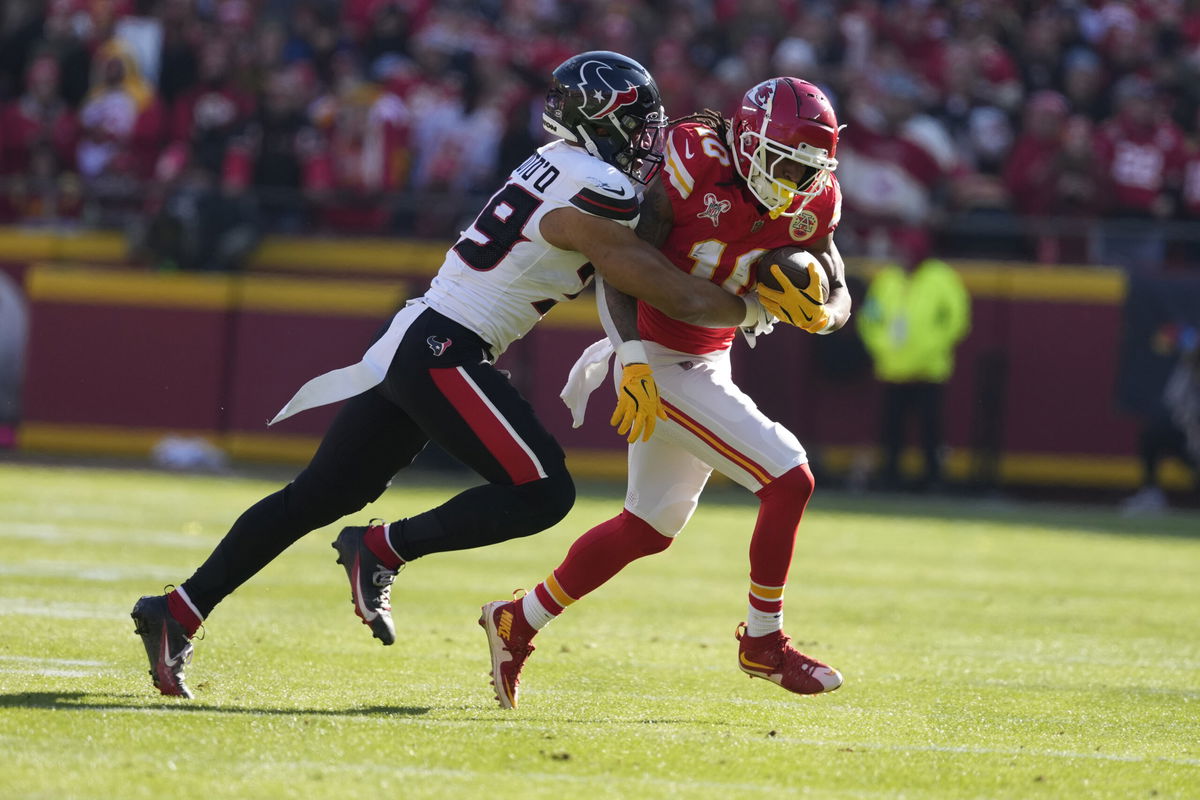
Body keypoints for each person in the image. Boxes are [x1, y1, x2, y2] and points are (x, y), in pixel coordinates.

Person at [130, 51, 815, 699]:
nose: (647, 141)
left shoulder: (554, 161)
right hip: (444, 349)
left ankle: (178, 610)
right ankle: (380, 548)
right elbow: (668, 290)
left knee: (316, 494)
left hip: (417, 337)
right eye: (635, 127)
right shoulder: (597, 187)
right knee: (543, 491)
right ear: (597, 124)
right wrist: (756, 301)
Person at [478, 77, 853, 709]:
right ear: (751, 138)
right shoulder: (688, 164)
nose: (794, 181)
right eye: (786, 161)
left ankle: (518, 621)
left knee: (648, 526)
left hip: (709, 357)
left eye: (808, 168)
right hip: (659, 359)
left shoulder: (814, 197)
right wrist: (633, 357)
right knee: (790, 477)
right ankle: (763, 642)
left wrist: (826, 314)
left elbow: (837, 284)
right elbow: (618, 265)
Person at [857, 229, 971, 491]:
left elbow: (957, 319)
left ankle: (933, 480)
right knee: (890, 429)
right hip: (892, 369)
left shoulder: (941, 278)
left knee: (931, 430)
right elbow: (870, 318)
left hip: (929, 370)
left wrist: (930, 348)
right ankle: (890, 477)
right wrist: (882, 348)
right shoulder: (887, 279)